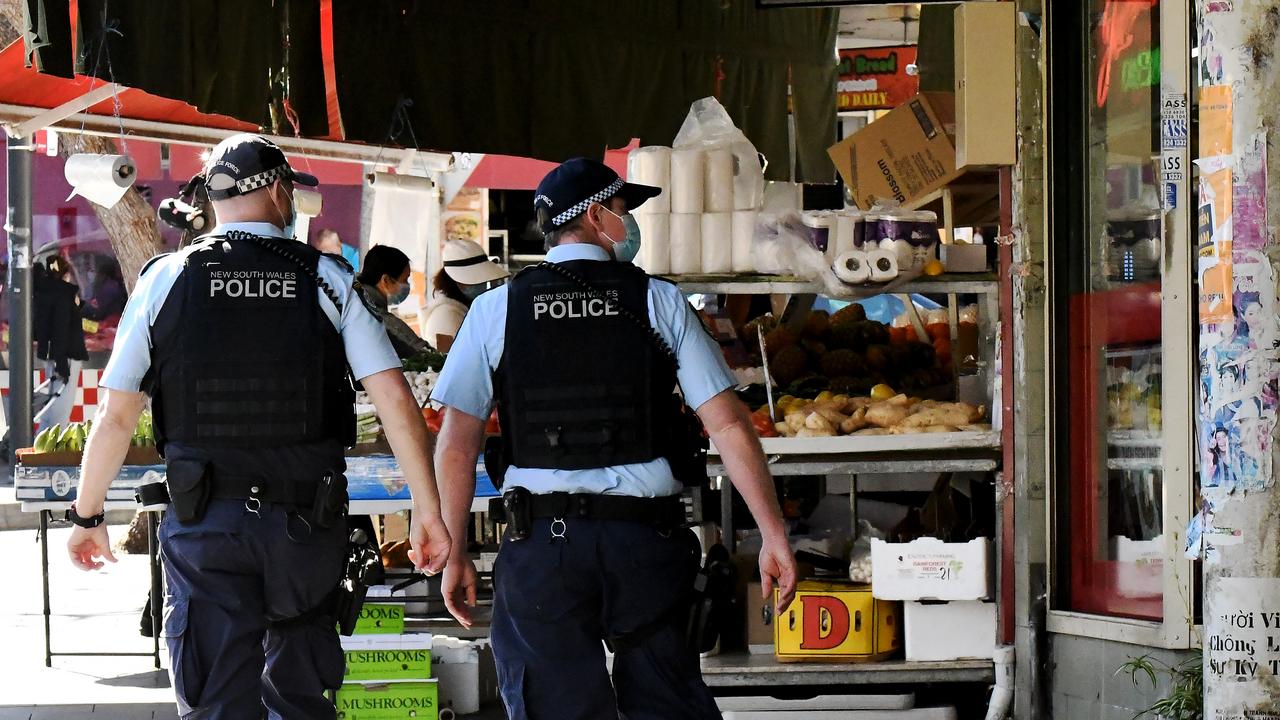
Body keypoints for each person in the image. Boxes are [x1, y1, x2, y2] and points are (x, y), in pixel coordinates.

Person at [64, 134, 451, 719]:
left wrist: (87, 515)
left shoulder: (165, 279)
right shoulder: (327, 278)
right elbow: (394, 400)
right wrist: (428, 510)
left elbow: (117, 415)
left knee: (217, 700)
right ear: (278, 190)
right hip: (305, 528)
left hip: (205, 525)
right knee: (298, 695)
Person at [432, 158, 797, 720]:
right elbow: (727, 424)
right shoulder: (659, 300)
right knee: (664, 705)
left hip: (542, 548)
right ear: (598, 215)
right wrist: (773, 534)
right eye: (624, 210)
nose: (629, 224)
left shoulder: (494, 309)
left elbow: (457, 443)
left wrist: (455, 547)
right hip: (644, 546)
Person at [422, 238, 509, 352]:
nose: (484, 285)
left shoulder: (460, 308)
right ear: (460, 283)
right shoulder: (447, 314)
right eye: (479, 280)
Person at [33, 255, 88, 431]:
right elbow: (61, 325)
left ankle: (42, 445)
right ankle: (50, 452)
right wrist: (62, 360)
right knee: (61, 408)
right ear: (66, 274)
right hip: (66, 353)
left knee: (52, 403)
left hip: (50, 352)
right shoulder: (65, 293)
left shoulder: (42, 291)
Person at [356, 245, 433, 359]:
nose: (407, 285)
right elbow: (423, 353)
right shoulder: (374, 314)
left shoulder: (356, 297)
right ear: (386, 280)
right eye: (404, 279)